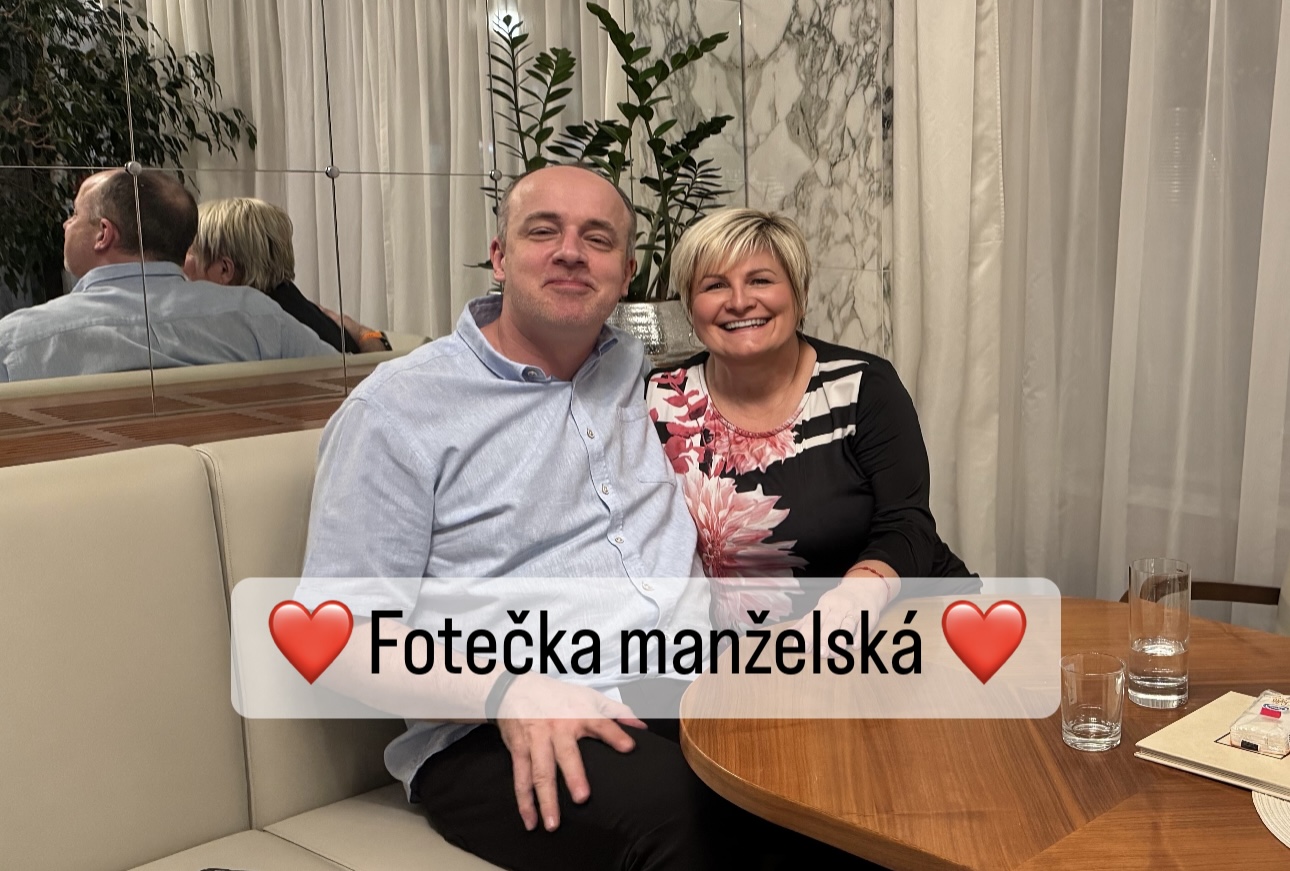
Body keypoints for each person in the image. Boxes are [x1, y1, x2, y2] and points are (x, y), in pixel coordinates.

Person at [300, 165, 869, 871]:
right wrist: (506, 691)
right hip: (496, 724)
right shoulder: (398, 410)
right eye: (544, 231)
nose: (571, 252)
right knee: (697, 820)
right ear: (500, 256)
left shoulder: (638, 374)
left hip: (684, 680)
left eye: (597, 239)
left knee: (852, 773)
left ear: (625, 274)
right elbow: (329, 637)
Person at [646, 207, 972, 641]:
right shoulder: (658, 400)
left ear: (799, 295)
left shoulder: (862, 387)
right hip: (751, 653)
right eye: (715, 285)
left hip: (905, 622)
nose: (739, 301)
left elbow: (907, 523)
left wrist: (856, 598)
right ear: (690, 306)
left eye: (760, 280)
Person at [0, 168, 336, 381]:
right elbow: (342, 387)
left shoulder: (16, 343)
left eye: (75, 214)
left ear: (104, 234)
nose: (66, 224)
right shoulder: (257, 317)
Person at [184, 196, 390, 353]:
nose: (182, 263)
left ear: (224, 270)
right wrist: (363, 334)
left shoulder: (243, 333)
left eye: (190, 253)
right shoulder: (299, 308)